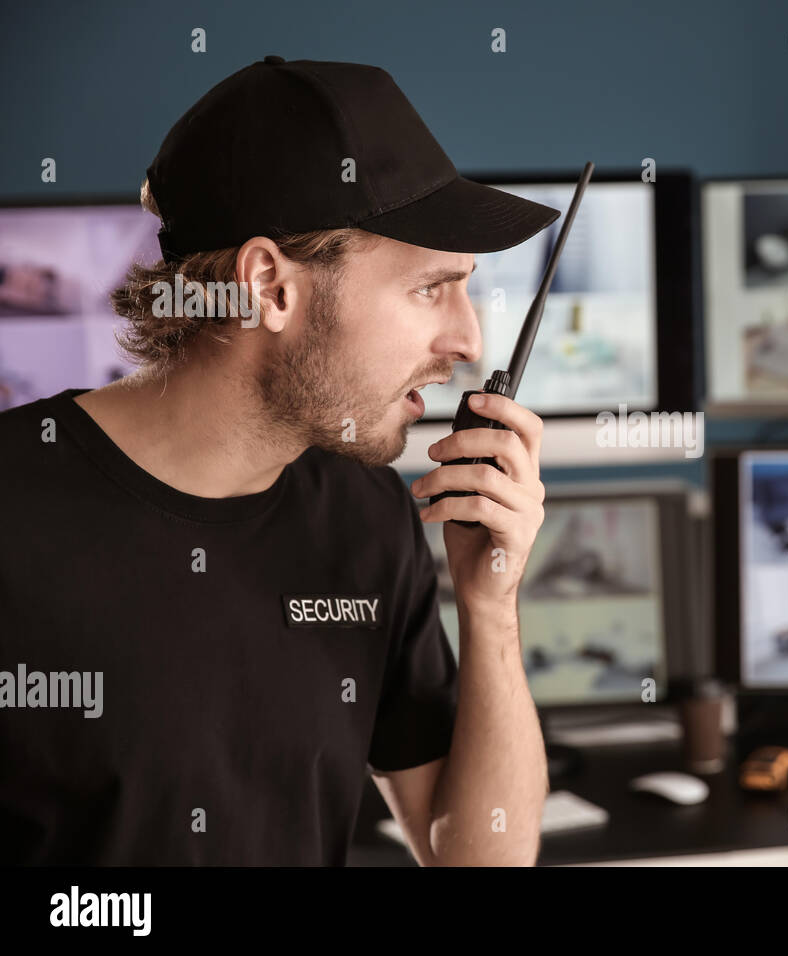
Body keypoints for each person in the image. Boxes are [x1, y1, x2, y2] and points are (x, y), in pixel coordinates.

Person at [0, 57, 560, 865]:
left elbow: (478, 856)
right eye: (431, 288)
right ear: (269, 285)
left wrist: (490, 606)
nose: (468, 342)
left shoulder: (368, 516)